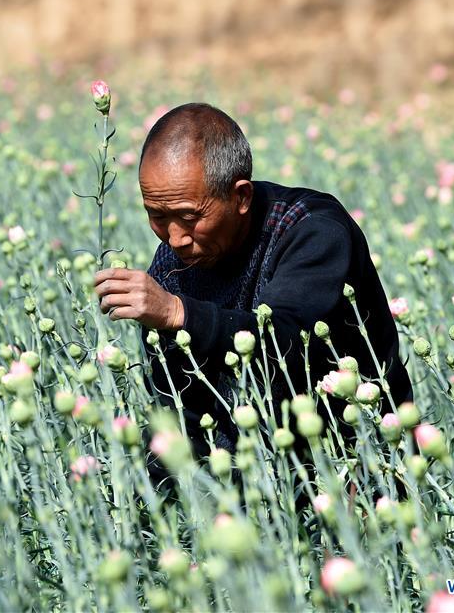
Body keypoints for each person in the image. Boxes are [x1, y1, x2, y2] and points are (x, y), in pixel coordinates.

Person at [93, 102, 412, 463]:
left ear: (241, 196)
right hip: (247, 479)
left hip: (359, 462)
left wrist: (177, 313)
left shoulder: (312, 230)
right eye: (157, 215)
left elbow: (289, 343)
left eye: (188, 216)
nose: (175, 237)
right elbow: (182, 407)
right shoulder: (172, 263)